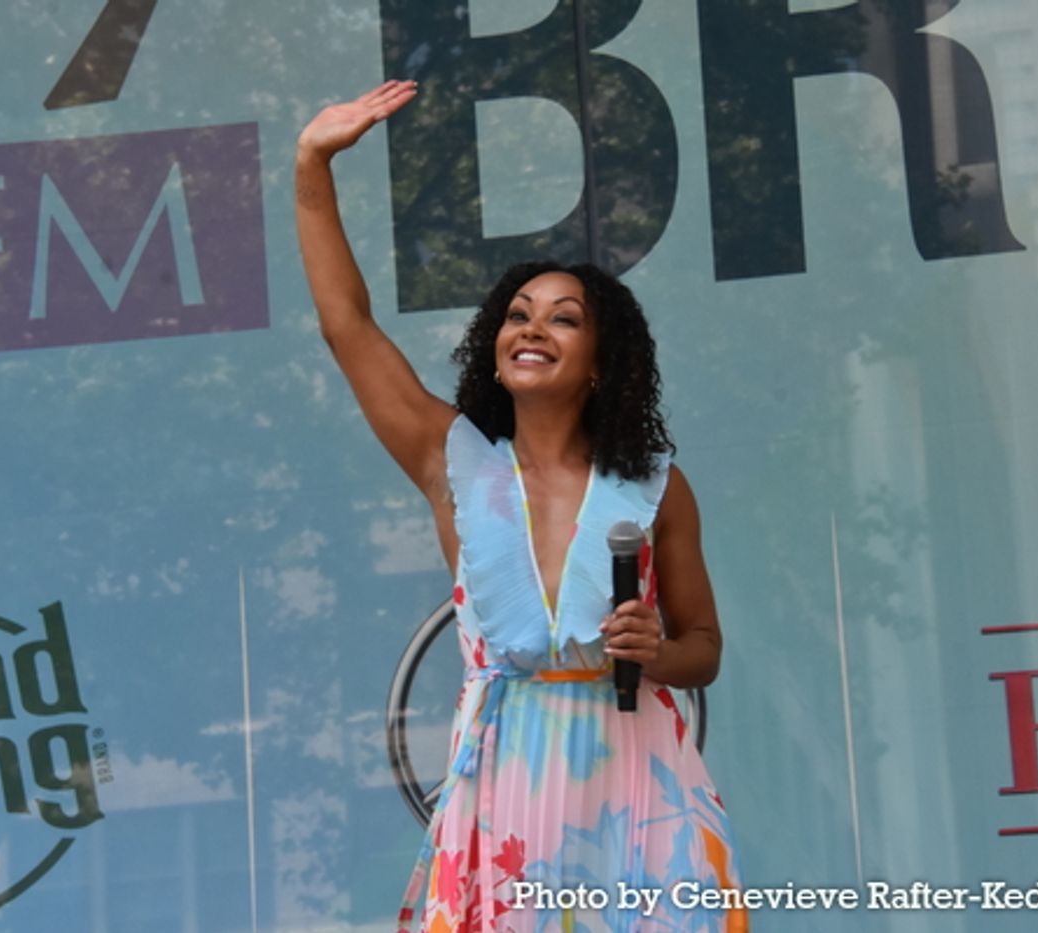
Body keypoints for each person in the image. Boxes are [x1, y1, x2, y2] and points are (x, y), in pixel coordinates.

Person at [296, 81, 748, 933]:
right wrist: (312, 164)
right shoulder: (451, 459)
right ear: (494, 347)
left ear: (601, 363)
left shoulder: (655, 484)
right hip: (505, 783)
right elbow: (345, 324)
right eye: (517, 314)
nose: (532, 327)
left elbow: (705, 649)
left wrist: (656, 652)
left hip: (640, 786)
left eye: (564, 319)